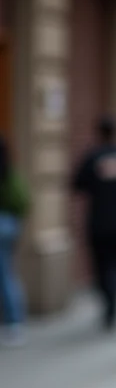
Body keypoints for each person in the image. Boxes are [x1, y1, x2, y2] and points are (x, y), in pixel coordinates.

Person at [72, 116, 116, 331]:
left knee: (101, 266)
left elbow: (77, 183)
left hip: (99, 222)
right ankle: (114, 301)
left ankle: (110, 302)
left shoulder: (93, 157)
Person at [0, 136, 30, 346]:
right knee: (7, 273)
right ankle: (15, 322)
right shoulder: (10, 173)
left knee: (5, 275)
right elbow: (24, 201)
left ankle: (13, 322)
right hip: (10, 224)